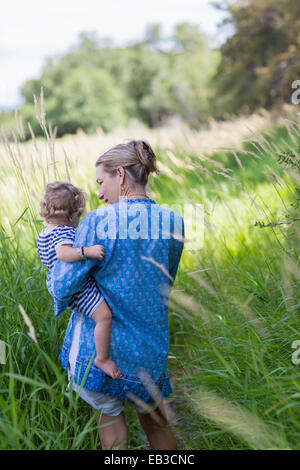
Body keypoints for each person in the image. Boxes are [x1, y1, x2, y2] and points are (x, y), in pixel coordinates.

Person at [49, 140, 185, 450]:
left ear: (120, 174)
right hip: (148, 351)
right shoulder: (173, 222)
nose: (98, 193)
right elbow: (166, 279)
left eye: (101, 181)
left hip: (101, 354)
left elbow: (62, 285)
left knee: (111, 431)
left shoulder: (97, 221)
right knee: (157, 425)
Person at [37, 181, 121, 379]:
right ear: (72, 215)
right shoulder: (63, 232)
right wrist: (86, 251)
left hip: (65, 285)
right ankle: (102, 358)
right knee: (104, 317)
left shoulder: (45, 232)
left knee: (96, 316)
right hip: (78, 288)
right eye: (78, 216)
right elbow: (63, 253)